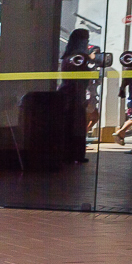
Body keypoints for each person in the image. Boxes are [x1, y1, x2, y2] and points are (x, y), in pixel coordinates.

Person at [59, 28, 91, 163]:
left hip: (69, 92)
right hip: (76, 93)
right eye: (86, 39)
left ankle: (70, 154)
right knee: (76, 124)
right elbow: (81, 78)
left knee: (70, 123)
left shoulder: (68, 56)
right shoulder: (79, 57)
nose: (87, 41)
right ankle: (76, 154)